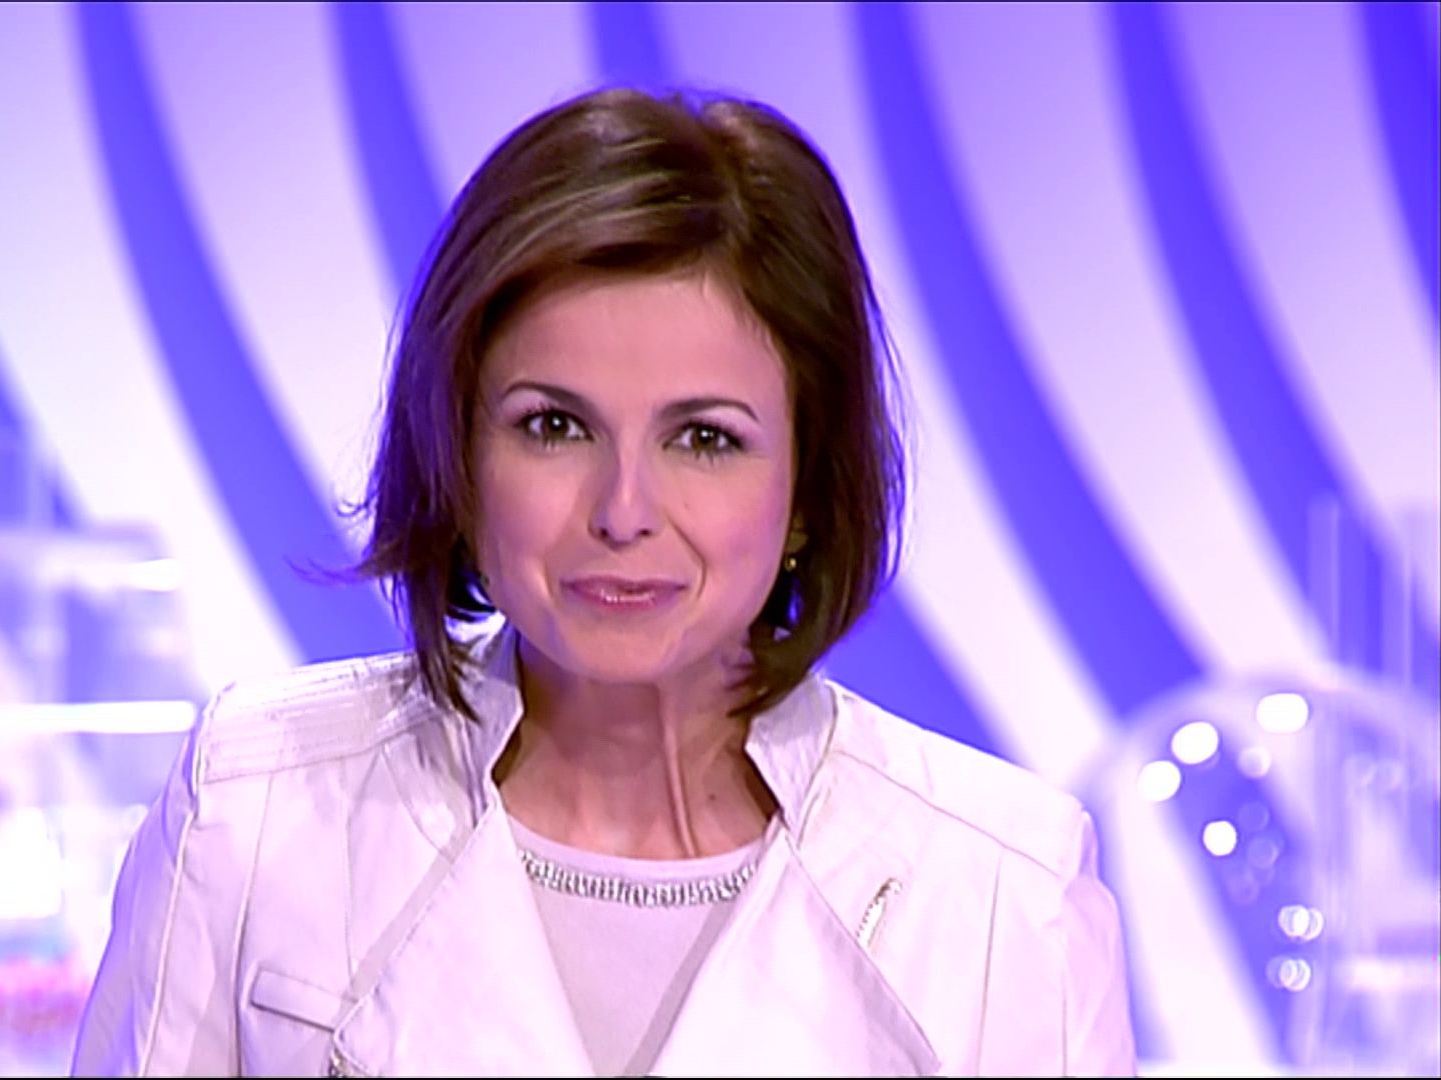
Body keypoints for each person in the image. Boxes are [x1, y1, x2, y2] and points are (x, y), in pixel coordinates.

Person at [72, 86, 1136, 1077]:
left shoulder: (1004, 894)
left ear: (809, 488)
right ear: (456, 454)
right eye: (554, 426)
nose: (624, 511)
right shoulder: (253, 805)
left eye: (705, 439)